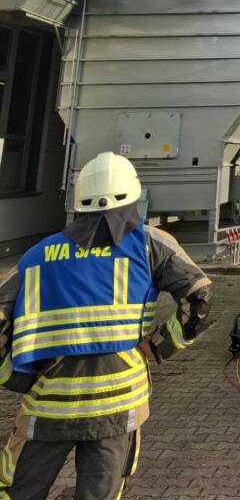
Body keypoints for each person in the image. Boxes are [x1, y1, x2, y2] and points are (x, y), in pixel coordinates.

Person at [0, 151, 212, 499]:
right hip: (118, 405)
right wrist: (158, 345)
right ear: (133, 196)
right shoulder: (149, 245)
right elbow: (200, 296)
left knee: (17, 491)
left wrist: (14, 377)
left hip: (48, 406)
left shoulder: (37, 255)